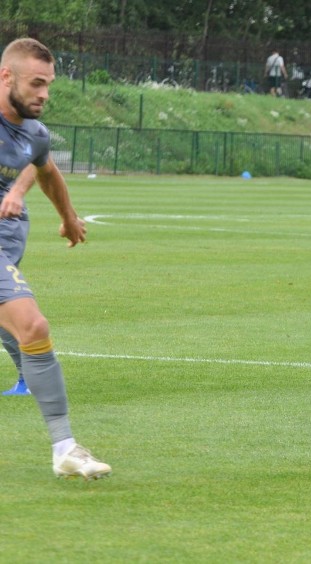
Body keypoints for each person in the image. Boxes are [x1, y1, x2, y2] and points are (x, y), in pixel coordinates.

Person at [0, 37, 111, 479]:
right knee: (33, 325)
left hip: (7, 249)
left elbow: (45, 167)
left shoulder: (34, 133)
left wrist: (69, 217)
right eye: (35, 83)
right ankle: (65, 447)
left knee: (21, 330)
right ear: (6, 77)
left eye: (48, 85)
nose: (44, 94)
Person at [1, 164, 37, 396]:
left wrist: (17, 192)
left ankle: (33, 376)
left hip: (5, 219)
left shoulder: (16, 131)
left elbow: (39, 159)